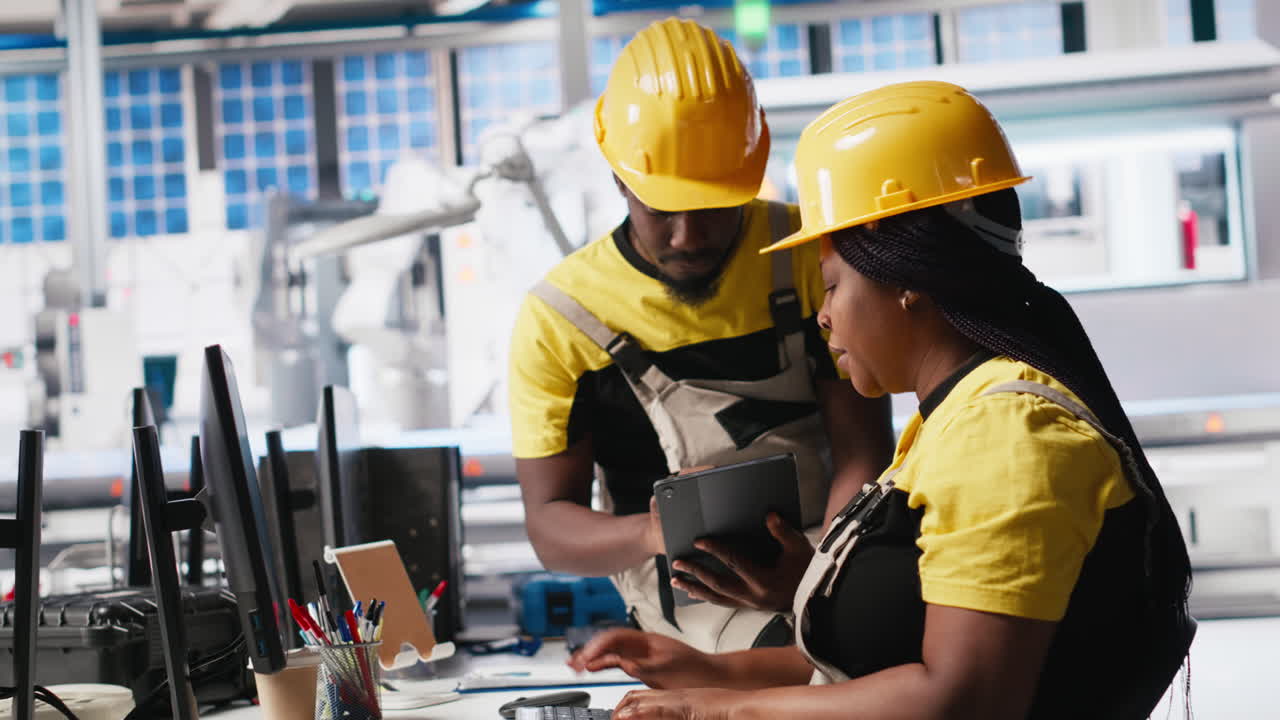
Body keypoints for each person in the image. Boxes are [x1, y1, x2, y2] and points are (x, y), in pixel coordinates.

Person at [568, 81, 1196, 718]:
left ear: (906, 282)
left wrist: (720, 711)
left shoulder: (1007, 435)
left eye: (834, 285)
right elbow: (883, 654)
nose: (823, 316)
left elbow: (962, 697)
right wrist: (705, 671)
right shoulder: (950, 419)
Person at [508, 17, 894, 653]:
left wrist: (821, 575)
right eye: (661, 208)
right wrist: (650, 535)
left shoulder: (803, 254)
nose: (687, 237)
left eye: (713, 204)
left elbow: (861, 447)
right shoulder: (561, 317)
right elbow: (550, 527)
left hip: (830, 551)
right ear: (619, 177)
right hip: (684, 603)